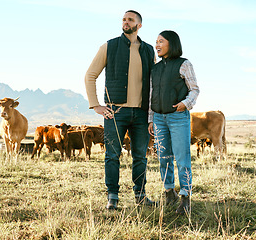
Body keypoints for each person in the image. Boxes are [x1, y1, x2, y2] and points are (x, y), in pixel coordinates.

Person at [85, 10, 155, 210]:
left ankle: (141, 196)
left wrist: (153, 113)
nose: (126, 22)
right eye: (124, 19)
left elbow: (153, 83)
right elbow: (90, 75)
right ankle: (112, 197)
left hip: (141, 113)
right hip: (115, 112)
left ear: (139, 25)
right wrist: (96, 104)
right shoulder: (109, 46)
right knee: (112, 155)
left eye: (130, 19)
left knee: (140, 156)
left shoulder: (149, 50)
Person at [148, 30, 199, 214]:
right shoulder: (155, 68)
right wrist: (151, 119)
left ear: (172, 44)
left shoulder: (184, 64)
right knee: (163, 158)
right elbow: (151, 94)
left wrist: (185, 104)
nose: (157, 45)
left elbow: (194, 89)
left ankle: (185, 198)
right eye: (156, 42)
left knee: (182, 159)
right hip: (159, 119)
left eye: (161, 41)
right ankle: (169, 193)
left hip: (178, 117)